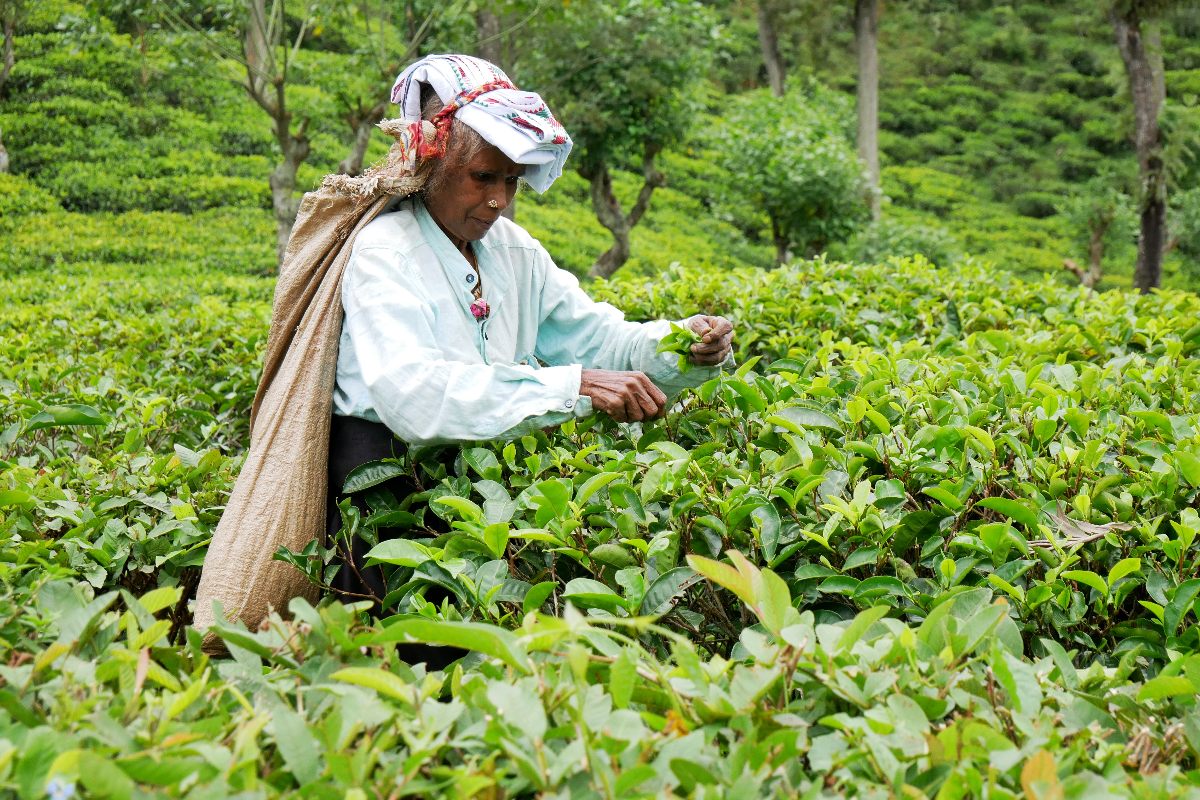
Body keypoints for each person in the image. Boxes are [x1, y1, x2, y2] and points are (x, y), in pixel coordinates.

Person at [326, 54, 735, 604]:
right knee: (399, 663)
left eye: (511, 181)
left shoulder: (514, 253)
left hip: (479, 485)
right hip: (384, 487)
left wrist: (685, 344)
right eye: (482, 177)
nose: (498, 200)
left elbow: (599, 339)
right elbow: (415, 397)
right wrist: (574, 386)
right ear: (430, 159)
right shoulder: (384, 253)